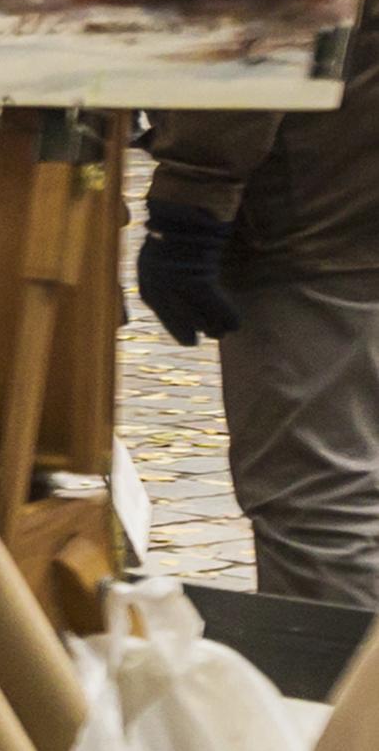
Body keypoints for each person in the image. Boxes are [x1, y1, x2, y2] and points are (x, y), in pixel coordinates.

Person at [140, 30, 379, 609]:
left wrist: (193, 194)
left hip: (320, 193)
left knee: (319, 504)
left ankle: (336, 697)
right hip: (346, 173)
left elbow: (265, 8)